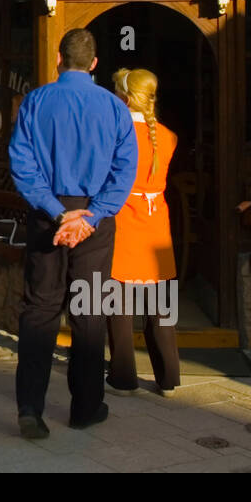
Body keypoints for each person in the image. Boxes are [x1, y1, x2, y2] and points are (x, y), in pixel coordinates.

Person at [8, 28, 138, 439]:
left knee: (40, 309)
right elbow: (124, 170)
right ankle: (84, 407)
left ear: (58, 60)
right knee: (89, 310)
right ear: (95, 63)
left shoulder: (36, 101)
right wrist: (92, 215)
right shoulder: (115, 108)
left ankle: (30, 406)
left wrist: (56, 211)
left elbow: (22, 163)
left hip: (50, 213)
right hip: (94, 218)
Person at [105, 68, 180, 398]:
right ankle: (168, 379)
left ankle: (123, 378)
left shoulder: (114, 135)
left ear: (124, 97)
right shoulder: (168, 136)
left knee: (118, 305)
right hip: (156, 223)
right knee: (161, 306)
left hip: (124, 219)